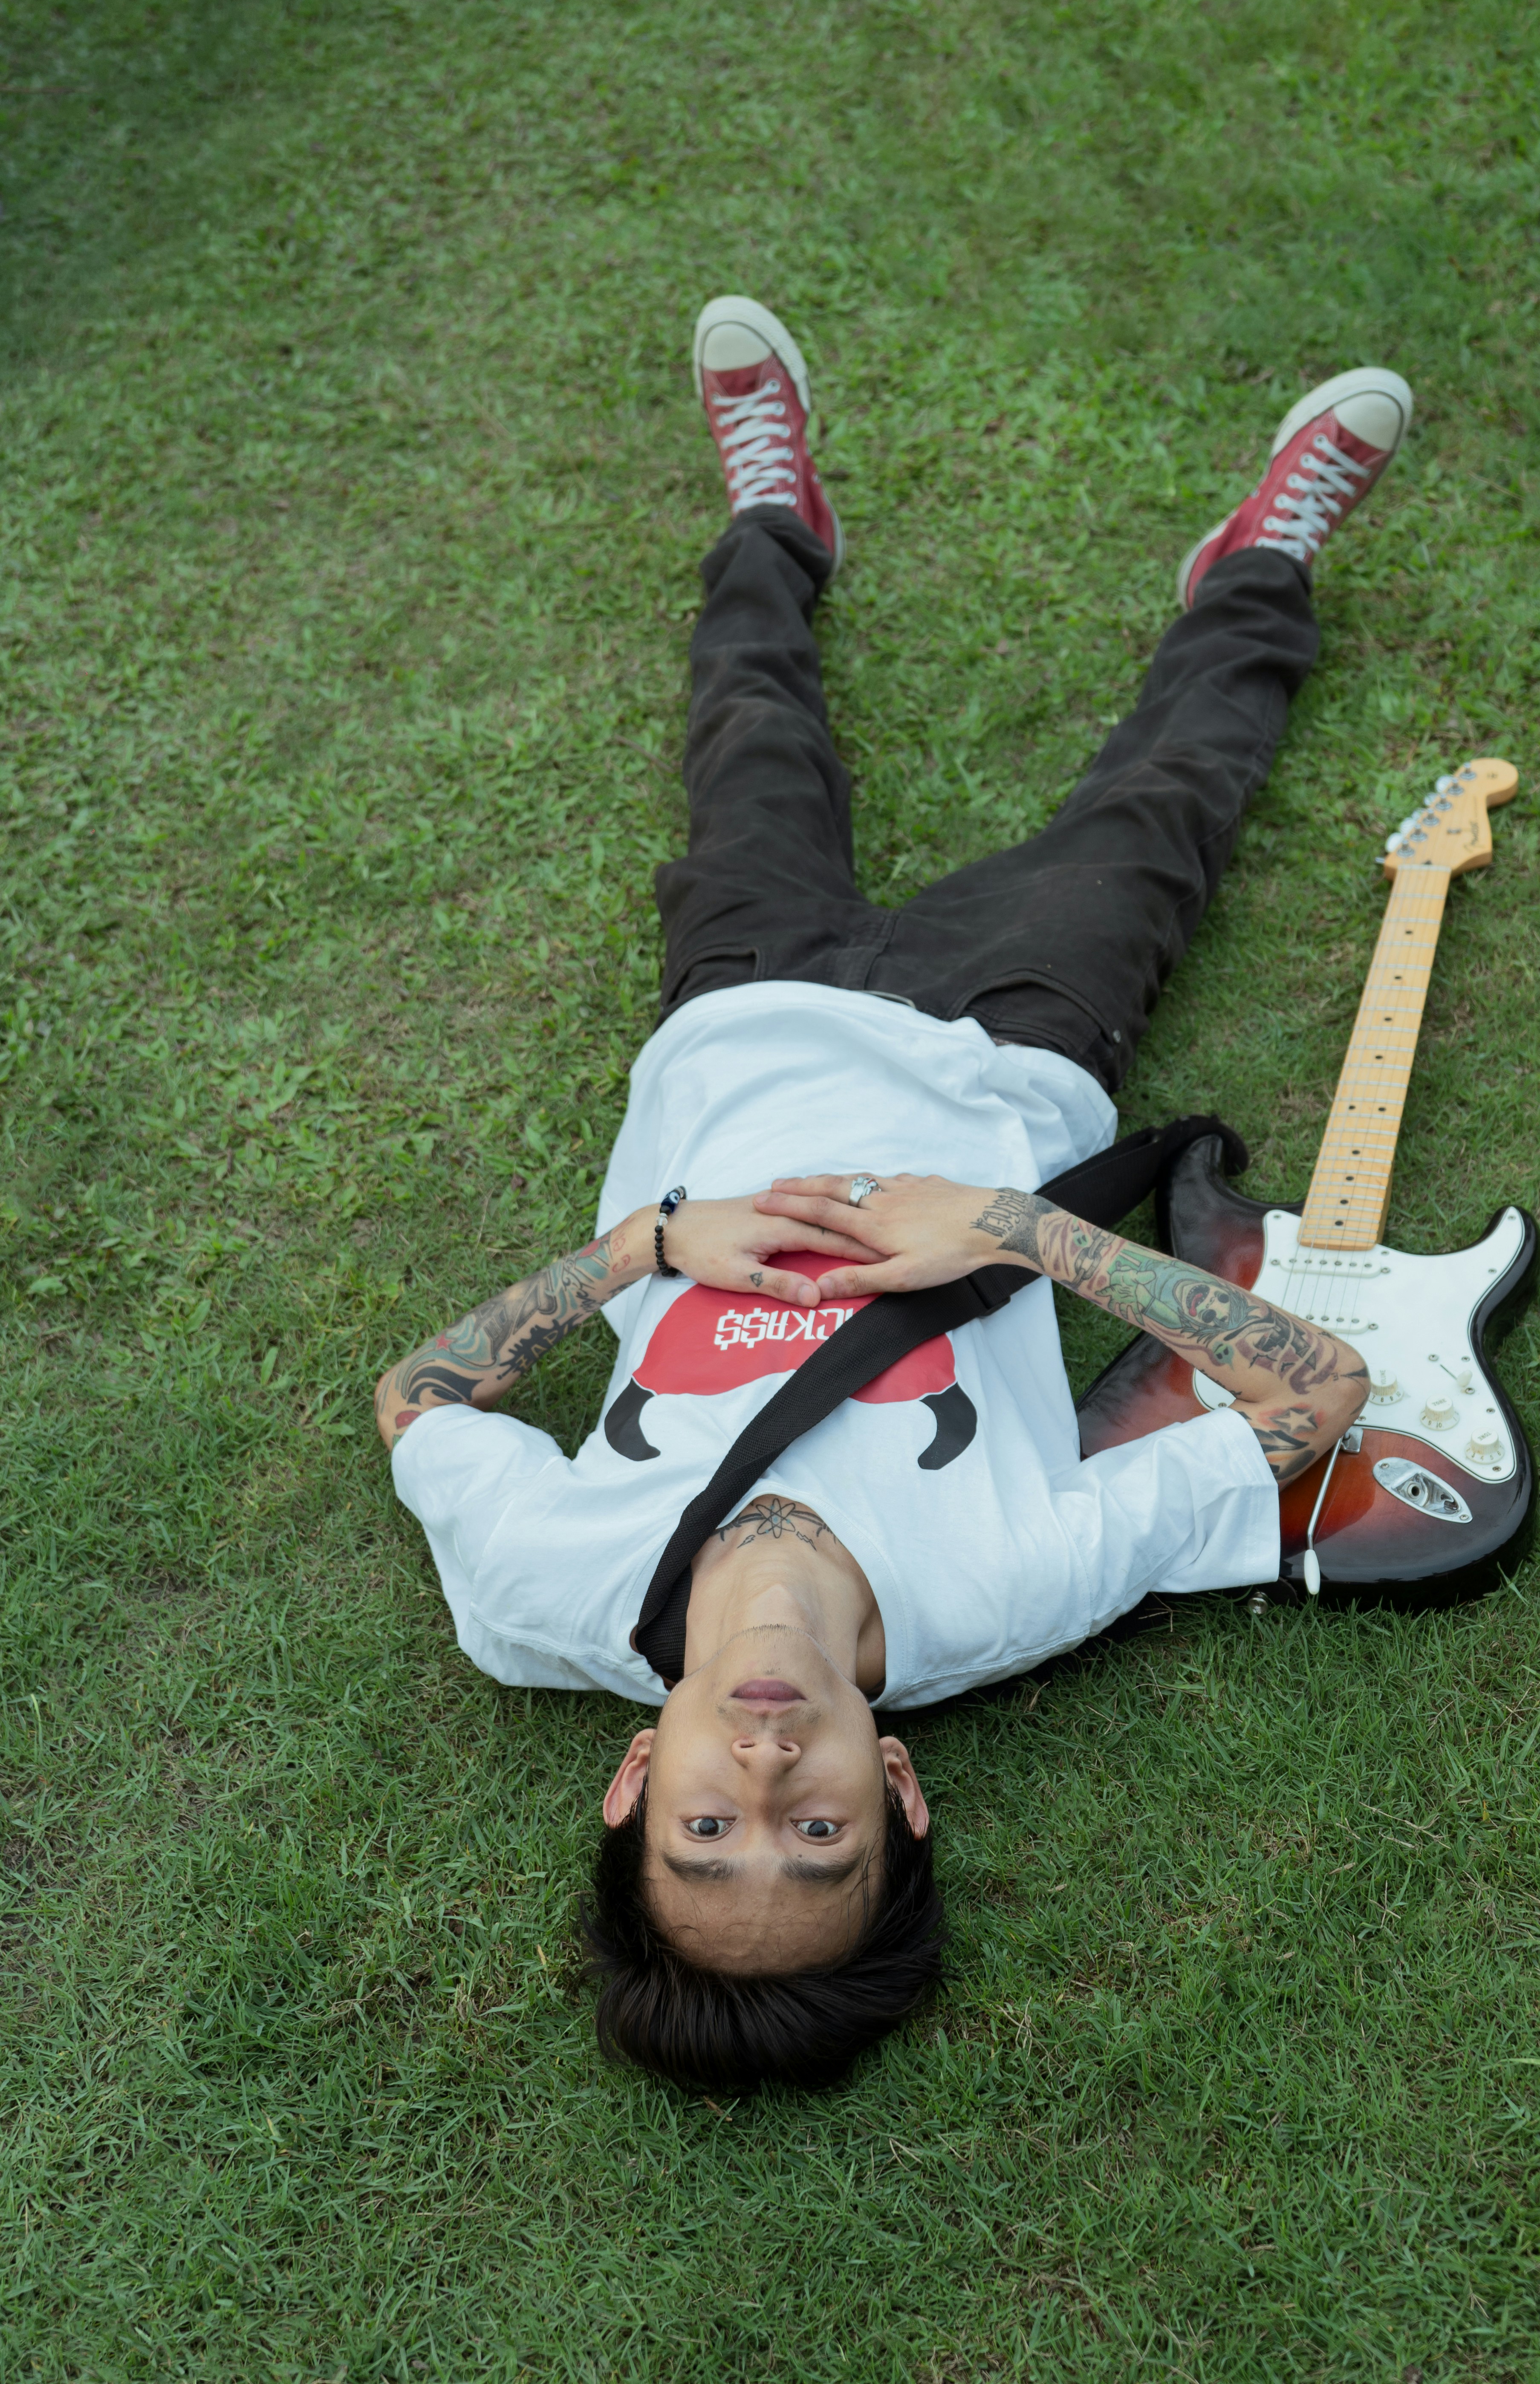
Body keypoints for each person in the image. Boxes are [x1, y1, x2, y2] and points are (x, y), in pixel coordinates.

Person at [374, 296, 1408, 2089]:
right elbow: (1316, 1398)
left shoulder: (543, 1595)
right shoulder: (1005, 1592)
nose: (766, 1776)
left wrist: (648, 1245)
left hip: (738, 1029)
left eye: (709, 1833)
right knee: (1171, 800)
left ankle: (772, 515)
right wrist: (1015, 1229)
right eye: (821, 1836)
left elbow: (418, 1403)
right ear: (902, 1789)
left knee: (751, 733)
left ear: (635, 1783)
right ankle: (1262, 564)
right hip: (1018, 1055)